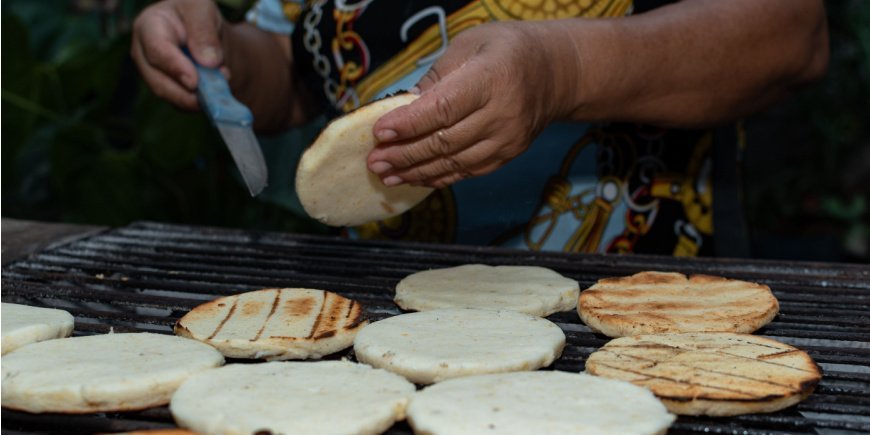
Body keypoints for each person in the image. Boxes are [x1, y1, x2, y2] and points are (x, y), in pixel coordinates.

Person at [131, 0, 828, 256]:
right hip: (377, 308)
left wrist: (564, 70)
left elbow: (790, 32)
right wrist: (215, 48)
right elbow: (292, 67)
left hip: (641, 303)